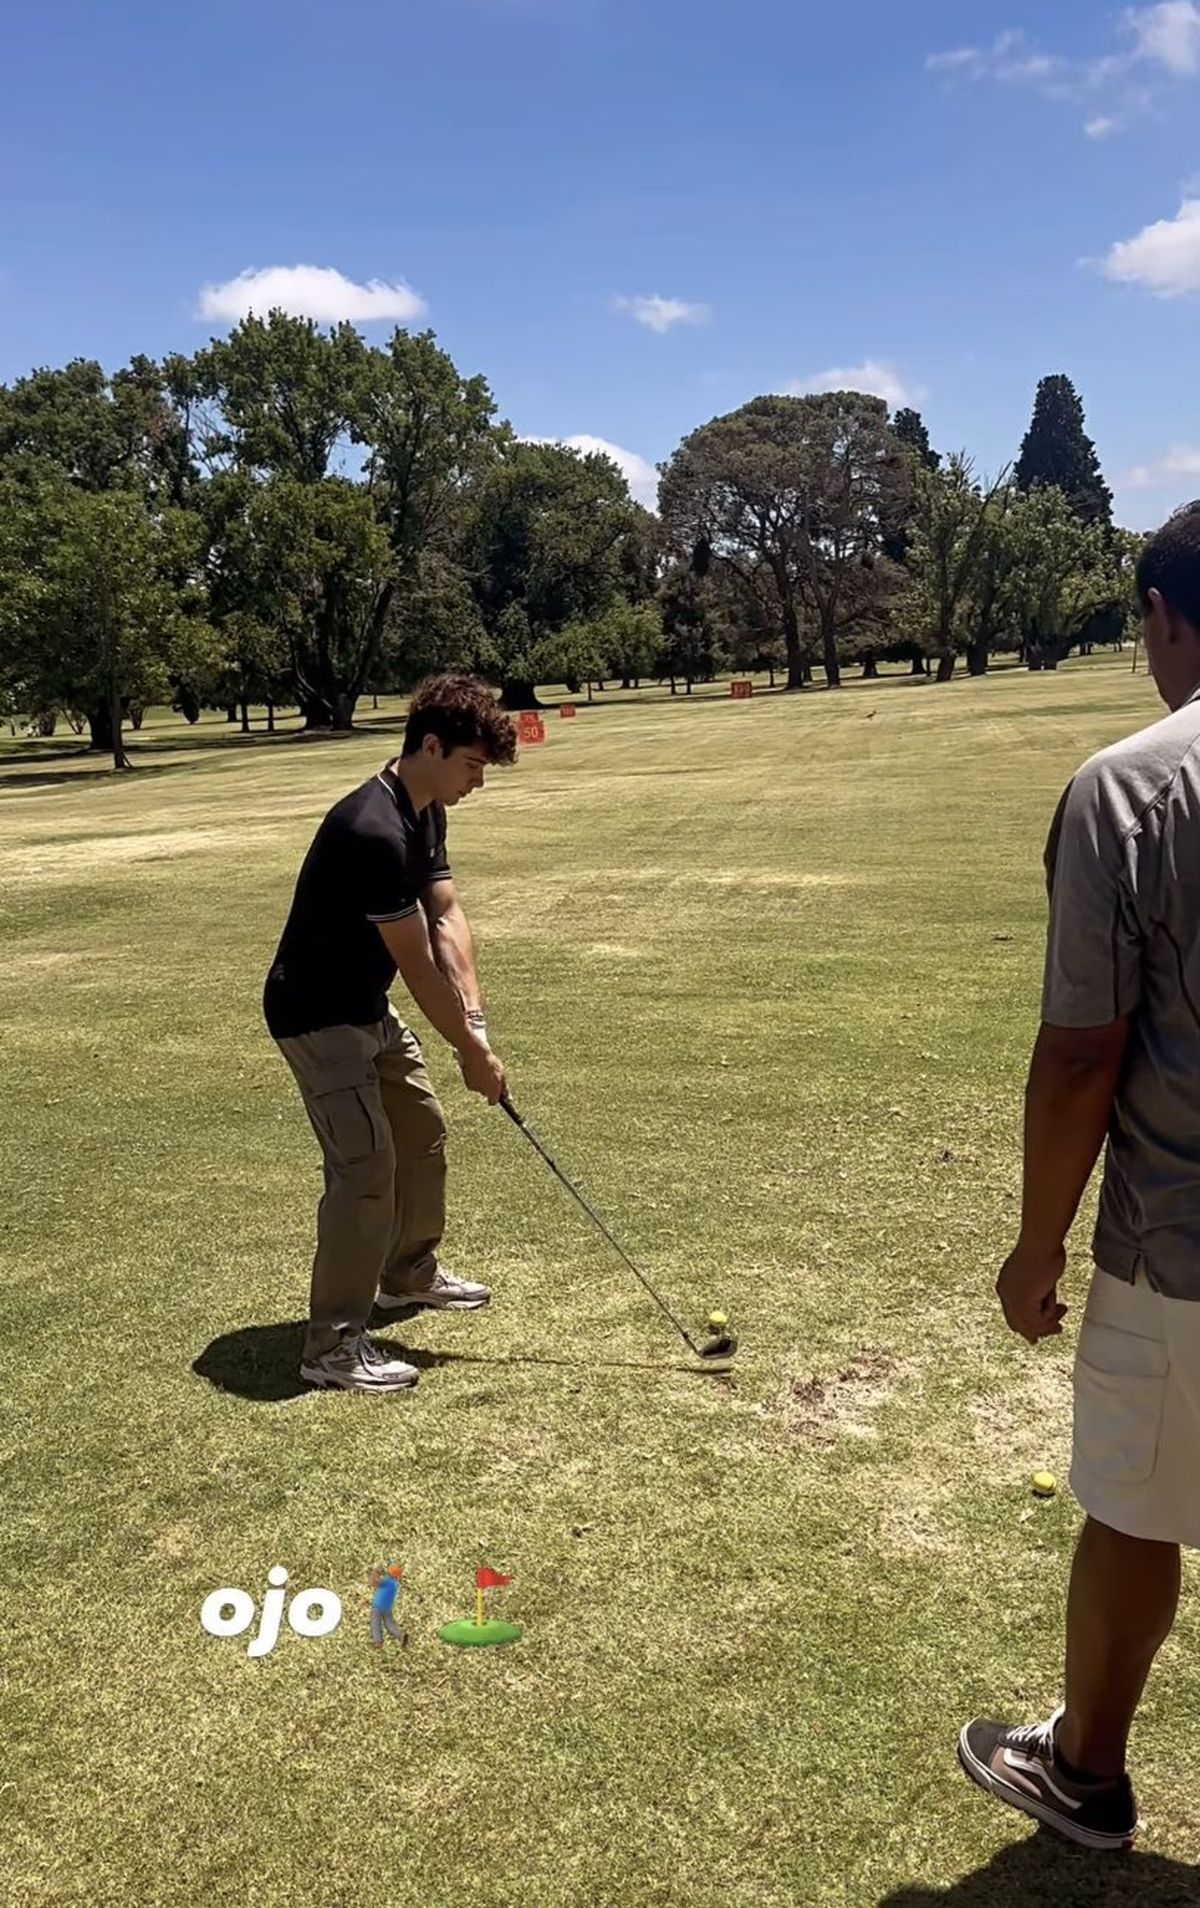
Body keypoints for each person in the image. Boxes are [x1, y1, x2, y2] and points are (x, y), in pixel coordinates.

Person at [958, 503, 1200, 1850]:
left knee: (1135, 1502)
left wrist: (1035, 1245)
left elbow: (1081, 1056)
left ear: (1165, 619)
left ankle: (1087, 1769)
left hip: (1181, 1241)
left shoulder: (1132, 787)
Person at [264, 674, 517, 1393]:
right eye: (471, 765)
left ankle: (406, 1276)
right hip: (316, 1015)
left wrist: (476, 1022)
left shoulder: (427, 808)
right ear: (430, 746)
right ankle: (333, 1346)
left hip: (364, 1003)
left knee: (422, 1133)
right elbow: (414, 963)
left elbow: (447, 916)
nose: (478, 782)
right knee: (366, 1169)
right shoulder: (371, 829)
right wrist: (471, 1054)